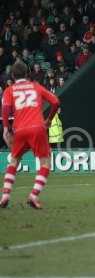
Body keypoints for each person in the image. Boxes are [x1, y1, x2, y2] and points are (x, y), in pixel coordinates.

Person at [0, 61, 60, 209]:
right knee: (45, 162)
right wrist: (49, 120)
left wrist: (6, 129)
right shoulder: (36, 86)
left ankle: (5, 195)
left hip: (19, 129)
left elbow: (6, 109)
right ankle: (33, 195)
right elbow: (56, 102)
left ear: (13, 75)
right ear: (27, 74)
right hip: (37, 128)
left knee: (14, 160)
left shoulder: (9, 90)